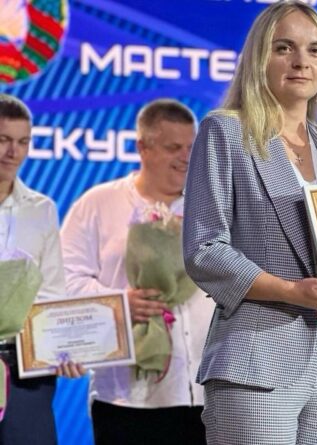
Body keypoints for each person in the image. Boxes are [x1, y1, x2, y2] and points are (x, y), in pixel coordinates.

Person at [181, 2, 317, 444]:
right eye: (284, 48)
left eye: (315, 50)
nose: (302, 61)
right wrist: (290, 291)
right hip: (258, 358)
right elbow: (204, 249)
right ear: (259, 58)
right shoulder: (227, 131)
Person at [60, 98, 214, 445]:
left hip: (207, 395)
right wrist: (119, 303)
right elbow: (65, 280)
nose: (186, 158)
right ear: (142, 147)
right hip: (126, 397)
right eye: (173, 148)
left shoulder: (211, 207)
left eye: (191, 147)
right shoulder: (98, 204)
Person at [0, 94, 82, 444]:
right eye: (3, 140)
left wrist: (64, 348)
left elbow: (51, 292)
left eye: (22, 142)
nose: (13, 152)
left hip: (27, 370)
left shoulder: (41, 209)